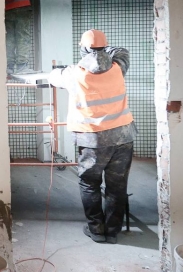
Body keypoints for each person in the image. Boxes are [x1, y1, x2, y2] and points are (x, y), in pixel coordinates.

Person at [48, 29, 137, 245]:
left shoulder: (73, 73)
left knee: (89, 184)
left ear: (84, 49)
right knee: (117, 186)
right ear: (105, 48)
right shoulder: (118, 66)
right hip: (123, 137)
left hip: (92, 141)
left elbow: (52, 77)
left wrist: (87, 55)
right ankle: (112, 231)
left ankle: (96, 229)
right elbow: (120, 51)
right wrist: (101, 50)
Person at [4, 0, 40, 74]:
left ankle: (9, 66)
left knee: (9, 38)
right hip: (21, 9)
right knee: (23, 37)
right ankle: (22, 66)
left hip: (7, 10)